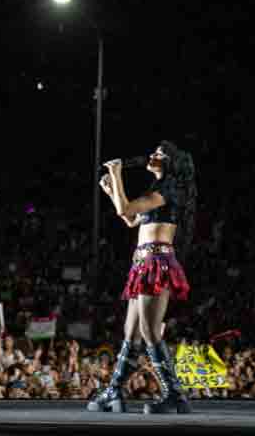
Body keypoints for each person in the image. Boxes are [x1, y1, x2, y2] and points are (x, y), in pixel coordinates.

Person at [86, 141, 196, 415]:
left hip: (156, 262)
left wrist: (116, 174)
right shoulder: (155, 192)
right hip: (143, 262)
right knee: (131, 332)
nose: (153, 155)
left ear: (171, 163)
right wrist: (111, 190)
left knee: (148, 330)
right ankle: (114, 392)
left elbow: (125, 209)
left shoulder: (170, 190)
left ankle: (175, 395)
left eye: (160, 153)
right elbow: (131, 220)